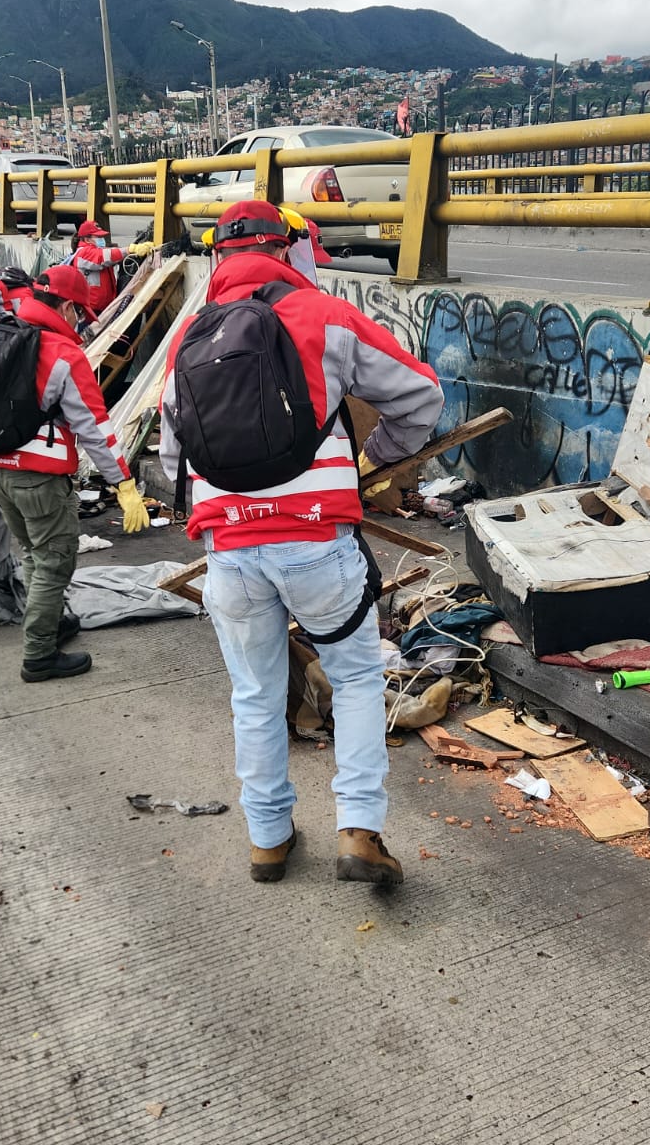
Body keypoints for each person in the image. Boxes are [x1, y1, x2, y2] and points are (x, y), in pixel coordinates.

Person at [159, 200, 443, 887]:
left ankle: (267, 841)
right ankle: (359, 833)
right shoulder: (326, 317)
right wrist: (376, 460)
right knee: (352, 680)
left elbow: (175, 457)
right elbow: (421, 397)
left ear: (218, 257)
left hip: (230, 552)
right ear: (288, 249)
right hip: (318, 541)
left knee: (254, 695)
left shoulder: (190, 336)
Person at [0, 264, 150, 682]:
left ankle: (48, 623)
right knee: (55, 562)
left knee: (34, 553)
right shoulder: (62, 354)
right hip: (38, 478)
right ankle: (39, 655)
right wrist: (122, 481)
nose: (78, 323)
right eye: (78, 314)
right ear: (67, 307)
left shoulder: (0, 336)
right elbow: (94, 426)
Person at [69, 221, 126, 318]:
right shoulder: (84, 253)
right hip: (90, 310)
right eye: (98, 237)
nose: (102, 239)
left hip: (101, 307)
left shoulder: (94, 250)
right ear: (87, 239)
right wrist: (129, 250)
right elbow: (103, 258)